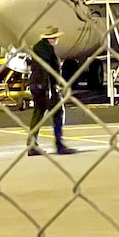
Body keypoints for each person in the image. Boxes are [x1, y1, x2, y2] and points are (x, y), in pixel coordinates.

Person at [27, 26, 77, 156]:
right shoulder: (46, 50)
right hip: (45, 87)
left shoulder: (39, 47)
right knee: (57, 113)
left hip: (37, 86)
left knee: (38, 113)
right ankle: (59, 144)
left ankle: (32, 145)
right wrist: (50, 88)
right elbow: (46, 70)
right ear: (53, 38)